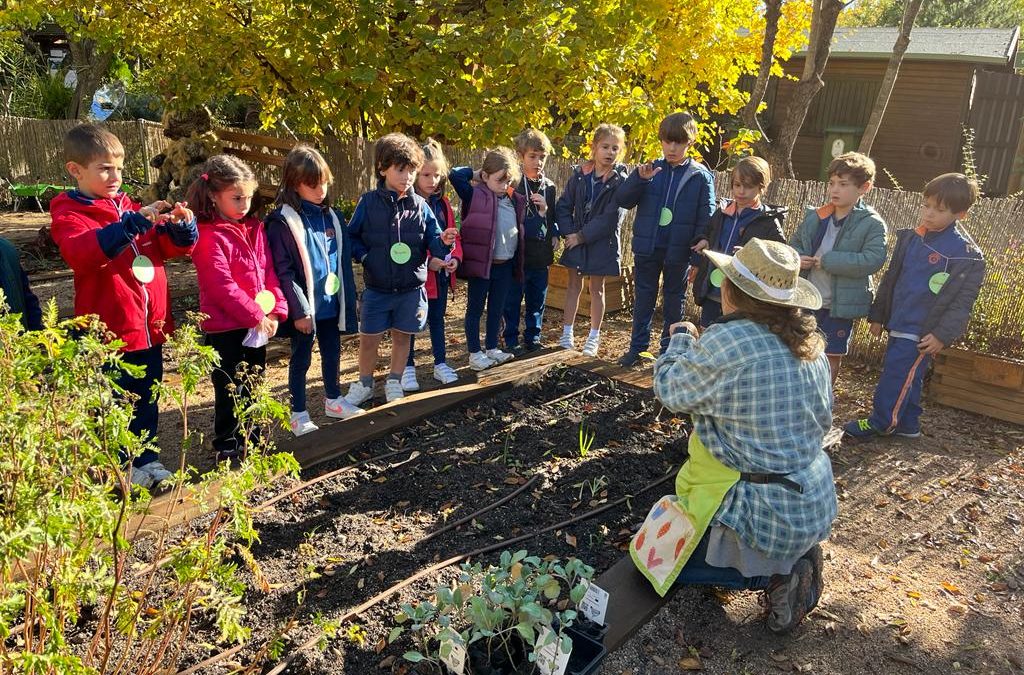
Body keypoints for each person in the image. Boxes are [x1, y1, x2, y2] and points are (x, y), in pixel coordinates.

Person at [636, 238, 835, 635]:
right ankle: (795, 553)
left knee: (652, 559)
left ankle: (774, 575)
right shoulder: (811, 343)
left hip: (762, 511)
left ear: (731, 291)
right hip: (809, 498)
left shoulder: (731, 341)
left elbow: (672, 391)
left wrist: (681, 339)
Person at [50, 123, 197, 488]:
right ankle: (120, 468)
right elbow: (84, 253)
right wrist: (132, 224)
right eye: (104, 169)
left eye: (118, 168)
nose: (114, 176)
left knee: (147, 396)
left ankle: (147, 460)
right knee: (116, 402)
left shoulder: (129, 208)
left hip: (149, 326)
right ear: (75, 170)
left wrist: (182, 230)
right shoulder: (70, 214)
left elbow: (164, 248)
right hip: (111, 330)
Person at [843, 173, 984, 441]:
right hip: (899, 320)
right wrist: (879, 315)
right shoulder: (912, 239)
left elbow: (962, 301)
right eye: (926, 205)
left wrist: (943, 334)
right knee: (909, 375)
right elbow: (891, 279)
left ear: (961, 214)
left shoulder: (965, 254)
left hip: (922, 329)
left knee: (895, 376)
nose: (929, 214)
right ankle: (908, 424)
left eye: (939, 210)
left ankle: (881, 422)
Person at [187, 155, 288, 460]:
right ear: (214, 197)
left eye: (247, 197)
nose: (244, 204)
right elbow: (221, 286)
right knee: (229, 387)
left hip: (255, 324)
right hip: (225, 327)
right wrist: (256, 315)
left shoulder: (254, 228)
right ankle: (227, 441)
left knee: (255, 381)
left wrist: (273, 310)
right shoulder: (207, 235)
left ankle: (253, 435)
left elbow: (269, 271)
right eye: (236, 198)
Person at [346, 133, 458, 405]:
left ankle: (395, 380)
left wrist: (442, 243)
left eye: (411, 171)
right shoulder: (368, 203)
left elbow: (433, 239)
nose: (407, 177)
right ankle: (364, 383)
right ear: (383, 168)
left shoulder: (420, 206)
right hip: (377, 288)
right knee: (369, 338)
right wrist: (366, 257)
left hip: (410, 289)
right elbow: (351, 237)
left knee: (402, 336)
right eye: (401, 169)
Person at [266, 145, 363, 437]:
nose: (321, 190)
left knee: (333, 353)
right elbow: (283, 271)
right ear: (295, 183)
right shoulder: (282, 221)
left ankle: (334, 400)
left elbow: (341, 262)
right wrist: (300, 310)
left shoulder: (332, 217)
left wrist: (350, 298)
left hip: (331, 305)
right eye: (312, 184)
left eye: (324, 182)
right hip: (305, 310)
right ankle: (298, 414)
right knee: (302, 359)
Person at [616, 112, 716, 366]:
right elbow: (623, 200)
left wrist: (696, 257)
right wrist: (638, 179)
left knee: (674, 302)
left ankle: (668, 352)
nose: (672, 148)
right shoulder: (650, 170)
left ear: (689, 143)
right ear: (661, 141)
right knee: (643, 300)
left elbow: (707, 219)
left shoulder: (700, 176)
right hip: (648, 247)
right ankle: (637, 350)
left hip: (679, 252)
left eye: (678, 142)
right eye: (667, 141)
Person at [789, 152, 887, 385]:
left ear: (864, 187)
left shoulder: (872, 223)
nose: (835, 189)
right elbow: (795, 245)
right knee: (798, 351)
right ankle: (798, 396)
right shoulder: (815, 216)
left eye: (843, 184)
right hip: (807, 299)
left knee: (830, 355)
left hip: (839, 305)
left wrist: (830, 261)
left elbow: (873, 259)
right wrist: (798, 258)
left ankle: (823, 399)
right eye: (832, 183)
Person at [554, 124, 629, 357]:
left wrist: (582, 236)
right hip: (575, 240)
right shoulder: (579, 176)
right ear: (594, 147)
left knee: (597, 289)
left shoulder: (620, 181)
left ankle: (593, 337)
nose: (609, 152)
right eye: (605, 147)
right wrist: (569, 233)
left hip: (600, 243)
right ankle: (567, 333)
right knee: (573, 286)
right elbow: (563, 206)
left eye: (615, 148)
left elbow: (611, 218)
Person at [450, 147, 527, 371]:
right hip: (482, 265)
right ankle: (475, 353)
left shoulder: (513, 200)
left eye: (508, 181)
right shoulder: (475, 194)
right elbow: (455, 174)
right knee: (475, 309)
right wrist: (478, 174)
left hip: (505, 265)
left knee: (497, 308)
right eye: (499, 180)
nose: (504, 185)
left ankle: (492, 348)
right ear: (485, 176)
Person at [691, 156, 786, 328]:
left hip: (742, 295)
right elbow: (708, 231)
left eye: (748, 186)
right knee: (708, 331)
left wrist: (751, 255)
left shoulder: (768, 222)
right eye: (737, 185)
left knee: (734, 334)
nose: (741, 191)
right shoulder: (722, 212)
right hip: (713, 287)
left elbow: (777, 255)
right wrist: (704, 241)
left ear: (761, 187)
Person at [403, 139, 462, 391]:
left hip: (439, 278)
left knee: (437, 320)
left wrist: (454, 258)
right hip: (415, 278)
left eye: (437, 174)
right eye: (426, 174)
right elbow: (406, 244)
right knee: (410, 323)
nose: (432, 180)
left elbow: (452, 236)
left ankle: (440, 363)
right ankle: (406, 367)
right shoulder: (407, 203)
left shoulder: (443, 203)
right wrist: (429, 261)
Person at [502, 128, 558, 354]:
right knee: (512, 301)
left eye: (542, 157)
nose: (538, 162)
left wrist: (554, 231)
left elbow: (552, 216)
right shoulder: (512, 185)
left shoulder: (550, 186)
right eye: (532, 156)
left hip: (540, 256)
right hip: (518, 256)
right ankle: (510, 339)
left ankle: (533, 338)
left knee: (537, 302)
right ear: (520, 157)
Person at [0, 236, 42, 331]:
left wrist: (35, 333)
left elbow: (26, 297)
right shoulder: (7, 249)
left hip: (16, 338)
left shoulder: (7, 250)